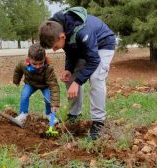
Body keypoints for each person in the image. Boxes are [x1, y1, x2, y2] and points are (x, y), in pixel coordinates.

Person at [39, 7, 116, 140]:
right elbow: (71, 51)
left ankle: (98, 122)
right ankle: (74, 114)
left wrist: (78, 82)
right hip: (85, 48)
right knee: (70, 78)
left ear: (62, 36)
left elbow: (93, 60)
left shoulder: (82, 31)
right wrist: (68, 69)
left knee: (96, 77)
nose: (55, 50)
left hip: (103, 44)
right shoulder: (58, 29)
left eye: (56, 47)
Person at [13, 43, 60, 125]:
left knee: (48, 99)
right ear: (29, 58)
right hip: (30, 83)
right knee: (24, 95)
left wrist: (55, 103)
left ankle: (49, 114)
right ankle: (23, 114)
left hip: (45, 85)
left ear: (44, 58)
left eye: (40, 63)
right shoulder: (23, 64)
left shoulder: (48, 68)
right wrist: (16, 81)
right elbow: (17, 71)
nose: (38, 66)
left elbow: (53, 85)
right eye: (34, 64)